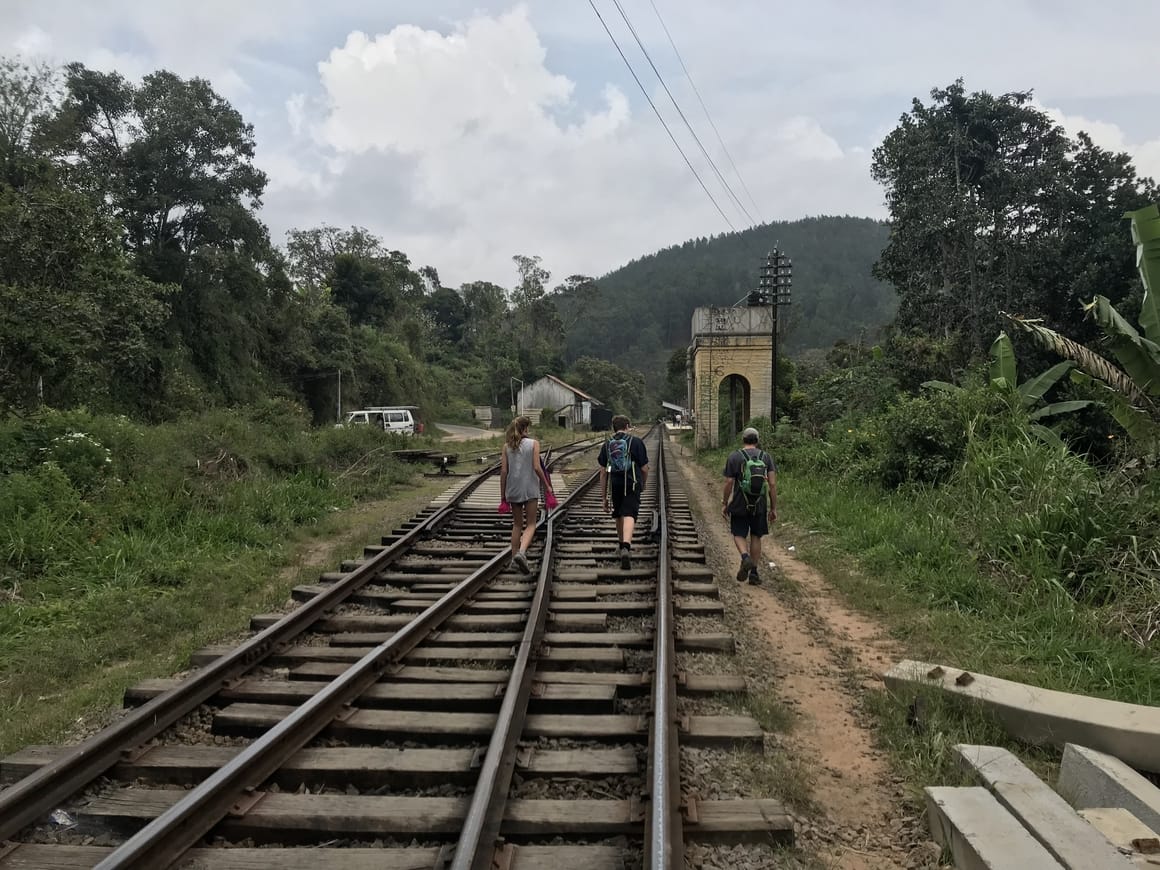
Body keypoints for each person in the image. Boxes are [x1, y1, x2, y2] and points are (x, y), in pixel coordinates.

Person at [721, 426, 777, 585]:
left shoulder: (734, 457)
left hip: (740, 503)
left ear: (743, 440)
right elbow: (772, 484)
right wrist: (773, 508)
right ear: (757, 441)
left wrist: (725, 503)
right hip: (759, 504)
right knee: (756, 536)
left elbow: (729, 482)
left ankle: (745, 557)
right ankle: (754, 573)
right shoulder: (766, 457)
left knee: (738, 533)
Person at [500, 415, 554, 574]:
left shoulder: (506, 446)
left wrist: (502, 495)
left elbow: (503, 472)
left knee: (517, 524)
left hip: (513, 489)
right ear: (526, 428)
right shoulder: (534, 444)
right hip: (529, 488)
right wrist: (546, 485)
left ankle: (513, 559)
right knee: (531, 524)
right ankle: (522, 554)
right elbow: (537, 467)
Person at [598, 415, 649, 570]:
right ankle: (626, 546)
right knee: (630, 514)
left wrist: (604, 497)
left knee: (619, 513)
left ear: (614, 427)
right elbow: (645, 468)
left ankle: (621, 545)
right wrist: (643, 483)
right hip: (632, 483)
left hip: (616, 484)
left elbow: (603, 472)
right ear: (627, 426)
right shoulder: (636, 442)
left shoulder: (607, 444)